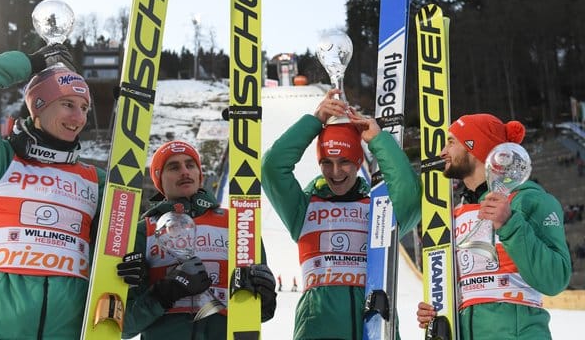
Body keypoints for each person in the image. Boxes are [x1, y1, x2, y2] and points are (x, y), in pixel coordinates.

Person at [0, 45, 106, 339]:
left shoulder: (95, 179)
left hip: (68, 327)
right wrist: (30, 63)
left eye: (84, 108)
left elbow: (119, 242)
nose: (78, 118)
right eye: (68, 104)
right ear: (40, 107)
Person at [261, 89, 421, 339]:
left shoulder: (378, 208)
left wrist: (379, 141)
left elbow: (411, 200)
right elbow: (272, 167)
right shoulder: (302, 208)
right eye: (326, 162)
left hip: (376, 326)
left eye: (344, 161)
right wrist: (314, 122)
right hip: (318, 328)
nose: (335, 172)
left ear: (358, 162)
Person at [416, 113, 572, 339]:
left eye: (451, 142)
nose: (442, 152)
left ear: (473, 146)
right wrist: (435, 310)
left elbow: (555, 279)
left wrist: (510, 224)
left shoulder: (530, 200)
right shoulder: (453, 214)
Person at [117, 140, 277, 339]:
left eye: (190, 165)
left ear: (200, 175)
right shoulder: (142, 232)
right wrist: (167, 290)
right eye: (174, 167)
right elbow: (123, 327)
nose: (184, 171)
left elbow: (259, 312)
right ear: (159, 179)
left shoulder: (238, 222)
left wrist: (266, 297)